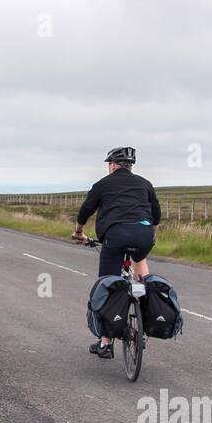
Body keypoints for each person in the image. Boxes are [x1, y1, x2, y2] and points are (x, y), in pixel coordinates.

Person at [73, 146, 161, 357]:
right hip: (144, 234)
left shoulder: (103, 184)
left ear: (112, 165)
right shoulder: (145, 184)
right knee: (142, 273)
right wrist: (151, 238)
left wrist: (78, 232)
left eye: (108, 164)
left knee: (109, 284)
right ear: (130, 166)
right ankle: (149, 309)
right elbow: (156, 216)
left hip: (115, 236)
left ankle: (105, 343)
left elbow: (86, 210)